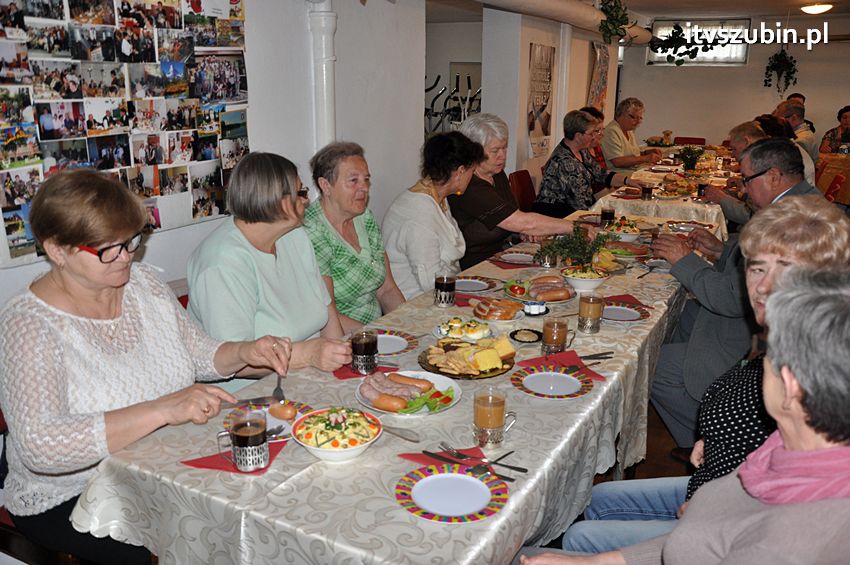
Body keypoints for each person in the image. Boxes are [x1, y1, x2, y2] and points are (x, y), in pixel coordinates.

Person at [0, 170, 292, 563]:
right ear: (57, 249)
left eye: (130, 241)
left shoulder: (143, 287)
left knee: (266, 494)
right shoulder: (30, 325)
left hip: (161, 462)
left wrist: (244, 351)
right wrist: (163, 408)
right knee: (200, 534)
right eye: (108, 249)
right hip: (74, 493)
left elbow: (197, 353)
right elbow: (43, 448)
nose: (126, 257)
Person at [557, 195, 850, 554]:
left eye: (784, 269)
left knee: (579, 536)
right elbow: (765, 466)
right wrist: (714, 446)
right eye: (756, 268)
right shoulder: (790, 342)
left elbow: (724, 538)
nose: (762, 286)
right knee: (597, 499)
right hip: (719, 490)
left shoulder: (812, 362)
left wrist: (708, 511)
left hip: (716, 512)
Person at [650, 137, 823, 448]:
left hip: (758, 338)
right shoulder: (799, 201)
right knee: (678, 315)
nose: (742, 189)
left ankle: (721, 442)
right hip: (767, 322)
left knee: (654, 365)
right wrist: (722, 249)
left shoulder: (790, 220)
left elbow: (732, 298)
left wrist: (683, 260)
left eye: (746, 180)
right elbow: (751, 260)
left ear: (773, 175)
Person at [188, 153, 352, 392]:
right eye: (300, 192)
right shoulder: (222, 262)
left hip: (308, 378)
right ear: (275, 201)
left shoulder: (295, 235)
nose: (306, 201)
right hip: (249, 395)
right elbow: (236, 359)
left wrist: (341, 364)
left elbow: (327, 311)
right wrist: (308, 355)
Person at [447, 113, 591, 270]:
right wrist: (575, 227)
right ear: (473, 151)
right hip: (474, 266)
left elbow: (512, 218)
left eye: (504, 147)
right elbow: (519, 221)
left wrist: (520, 233)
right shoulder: (469, 185)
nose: (502, 155)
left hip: (502, 254)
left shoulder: (497, 174)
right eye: (495, 150)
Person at [303, 142, 405, 331]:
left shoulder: (364, 216)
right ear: (325, 185)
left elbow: (387, 289)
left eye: (366, 179)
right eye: (353, 181)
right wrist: (377, 336)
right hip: (341, 339)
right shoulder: (312, 231)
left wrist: (407, 326)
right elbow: (327, 314)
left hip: (376, 329)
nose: (364, 188)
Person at [382, 131, 484, 299]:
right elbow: (431, 282)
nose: (471, 177)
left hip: (441, 293)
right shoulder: (419, 211)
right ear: (459, 172)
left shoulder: (437, 197)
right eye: (471, 172)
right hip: (416, 304)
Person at [533, 110, 640, 218]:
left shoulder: (581, 151)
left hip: (573, 208)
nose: (594, 137)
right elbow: (580, 203)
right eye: (591, 133)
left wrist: (628, 181)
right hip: (556, 214)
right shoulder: (566, 161)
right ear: (578, 136)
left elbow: (601, 174)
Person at [600, 98, 661, 173]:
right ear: (620, 114)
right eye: (633, 117)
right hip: (620, 176)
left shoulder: (629, 131)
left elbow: (630, 154)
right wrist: (645, 158)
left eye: (640, 118)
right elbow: (618, 161)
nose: (638, 122)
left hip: (635, 171)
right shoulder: (611, 131)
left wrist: (645, 153)